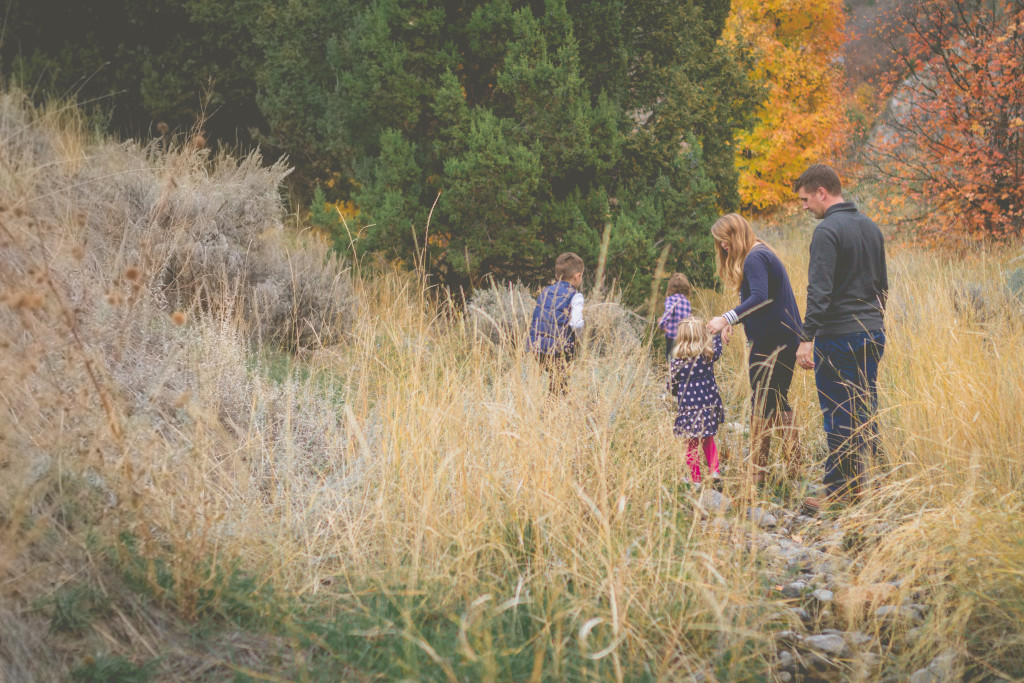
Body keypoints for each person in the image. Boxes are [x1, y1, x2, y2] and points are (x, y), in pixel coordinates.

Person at [792, 164, 888, 514]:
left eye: (805, 200)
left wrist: (807, 338)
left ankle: (838, 492)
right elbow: (883, 287)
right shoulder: (871, 228)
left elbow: (819, 291)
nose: (804, 207)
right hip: (871, 332)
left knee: (837, 413)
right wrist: (874, 322)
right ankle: (872, 483)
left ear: (822, 192)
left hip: (838, 335)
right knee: (865, 407)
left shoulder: (827, 231)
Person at [706, 214, 804, 485]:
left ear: (737, 235)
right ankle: (793, 467)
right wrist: (737, 320)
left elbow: (760, 297)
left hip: (772, 341)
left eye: (725, 241)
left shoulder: (754, 257)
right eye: (720, 244)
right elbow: (762, 299)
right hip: (787, 336)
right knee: (777, 397)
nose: (723, 247)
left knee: (761, 400)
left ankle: (756, 473)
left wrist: (726, 318)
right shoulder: (761, 252)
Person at [667, 317, 725, 486]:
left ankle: (695, 479)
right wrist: (722, 328)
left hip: (688, 409)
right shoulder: (707, 356)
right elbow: (718, 347)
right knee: (709, 439)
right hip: (708, 406)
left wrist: (680, 392)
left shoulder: (676, 362)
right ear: (703, 336)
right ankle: (714, 471)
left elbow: (671, 387)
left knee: (691, 444)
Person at [529, 252, 585, 394]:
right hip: (559, 349)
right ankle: (550, 412)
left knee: (555, 382)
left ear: (556, 275)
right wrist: (578, 339)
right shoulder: (576, 296)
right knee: (558, 386)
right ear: (577, 276)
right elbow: (576, 324)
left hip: (537, 346)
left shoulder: (545, 291)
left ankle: (551, 408)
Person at [657, 273, 693, 363]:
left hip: (672, 336)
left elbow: (668, 313)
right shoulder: (686, 302)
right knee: (681, 357)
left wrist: (662, 324)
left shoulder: (671, 299)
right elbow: (688, 319)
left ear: (670, 288)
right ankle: (679, 374)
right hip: (684, 336)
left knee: (669, 357)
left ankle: (671, 374)